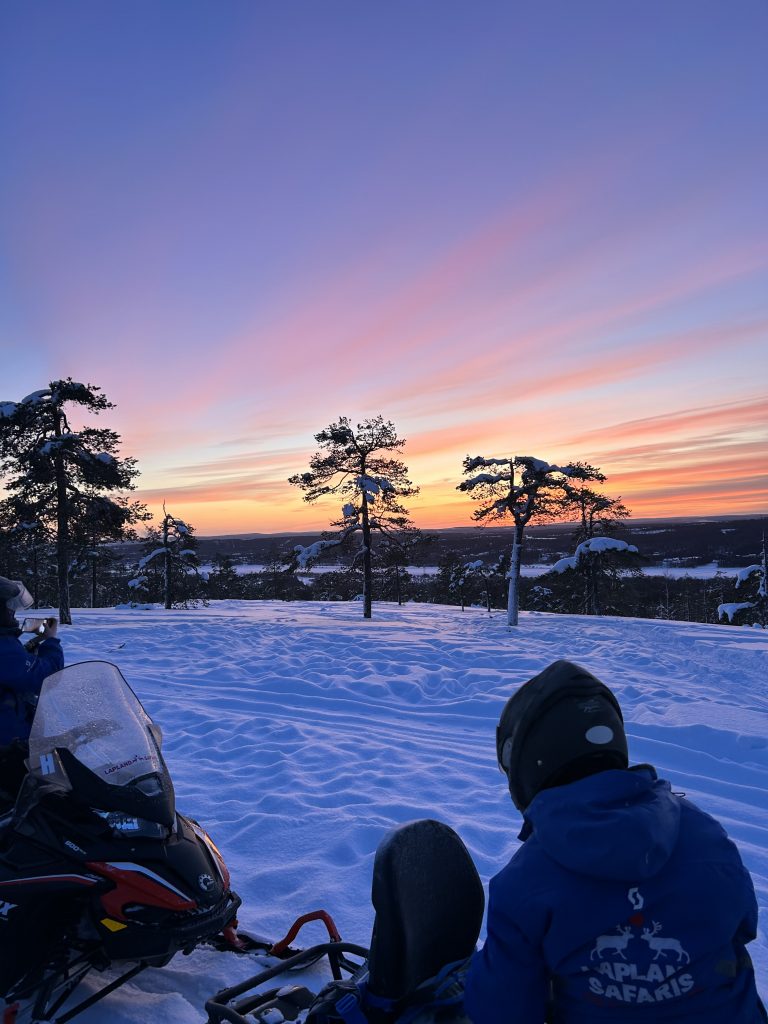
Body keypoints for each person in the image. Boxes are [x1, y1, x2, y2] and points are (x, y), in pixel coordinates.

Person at [463, 659, 765, 1024]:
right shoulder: (708, 836)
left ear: (530, 762)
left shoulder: (525, 882)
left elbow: (502, 1011)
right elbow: (743, 927)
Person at [0, 576, 63, 798]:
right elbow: (45, 677)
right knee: (45, 800)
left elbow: (14, 670)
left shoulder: (6, 646)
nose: (12, 614)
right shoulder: (3, 647)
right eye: (8, 608)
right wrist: (51, 642)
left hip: (14, 738)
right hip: (11, 746)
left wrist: (32, 646)